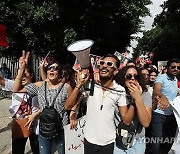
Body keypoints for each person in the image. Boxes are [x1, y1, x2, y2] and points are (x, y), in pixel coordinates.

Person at [65, 54, 128, 154]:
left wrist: (135, 100)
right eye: (102, 63)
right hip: (89, 140)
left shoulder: (119, 90)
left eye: (109, 64)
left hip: (108, 142)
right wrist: (79, 85)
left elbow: (125, 119)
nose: (104, 66)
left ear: (115, 71)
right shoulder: (90, 85)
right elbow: (67, 106)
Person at [13, 51, 73, 154]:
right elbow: (16, 89)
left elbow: (73, 103)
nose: (52, 70)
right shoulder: (40, 85)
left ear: (59, 72)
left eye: (55, 68)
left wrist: (73, 115)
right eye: (50, 68)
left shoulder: (66, 87)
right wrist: (21, 70)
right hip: (44, 128)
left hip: (61, 128)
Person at [114, 65, 152, 154]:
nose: (132, 79)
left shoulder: (145, 94)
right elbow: (126, 121)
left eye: (136, 76)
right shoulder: (117, 92)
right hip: (118, 140)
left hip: (137, 141)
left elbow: (146, 122)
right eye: (128, 76)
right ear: (122, 78)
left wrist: (138, 98)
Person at [10, 51, 40, 154]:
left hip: (36, 124)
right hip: (21, 124)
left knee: (37, 150)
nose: (22, 76)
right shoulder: (14, 86)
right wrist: (21, 69)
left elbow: (45, 105)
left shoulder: (38, 86)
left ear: (31, 75)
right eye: (20, 74)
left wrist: (34, 115)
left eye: (25, 74)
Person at [149, 58, 180, 154]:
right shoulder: (161, 78)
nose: (176, 69)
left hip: (171, 115)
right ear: (167, 68)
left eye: (178, 68)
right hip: (158, 114)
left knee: (167, 141)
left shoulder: (175, 79)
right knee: (156, 141)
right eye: (173, 67)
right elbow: (157, 89)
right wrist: (162, 97)